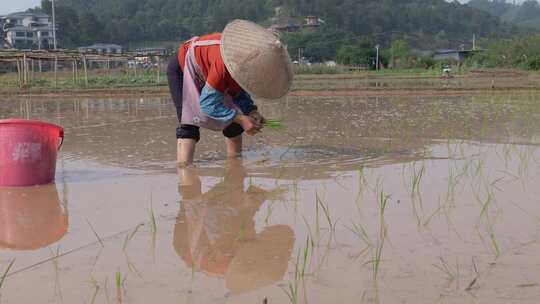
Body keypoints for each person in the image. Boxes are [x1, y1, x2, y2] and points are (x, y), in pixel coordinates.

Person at [167, 20, 294, 166]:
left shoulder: (244, 65)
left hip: (209, 68)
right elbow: (207, 105)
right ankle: (185, 171)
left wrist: (251, 111)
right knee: (189, 123)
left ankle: (235, 168)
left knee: (234, 124)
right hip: (184, 67)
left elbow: (238, 91)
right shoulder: (224, 65)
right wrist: (242, 119)